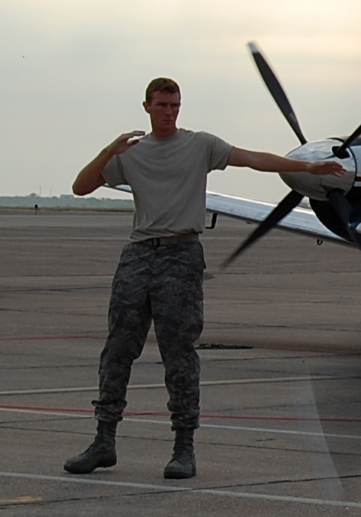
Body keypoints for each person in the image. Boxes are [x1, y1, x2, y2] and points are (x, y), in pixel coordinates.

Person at [65, 77, 344, 479]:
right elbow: (81, 187)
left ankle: (184, 447)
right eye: (161, 105)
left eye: (175, 105)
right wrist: (111, 149)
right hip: (139, 254)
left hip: (180, 254)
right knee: (117, 349)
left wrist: (308, 166)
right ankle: (103, 441)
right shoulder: (131, 153)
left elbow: (252, 159)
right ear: (146, 106)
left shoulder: (199, 145)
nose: (169, 112)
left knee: (178, 352)